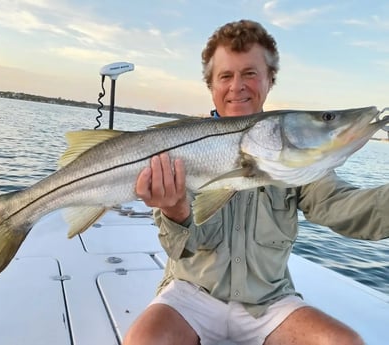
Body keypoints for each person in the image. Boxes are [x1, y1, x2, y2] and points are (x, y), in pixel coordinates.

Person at [124, 19, 388, 345]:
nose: (237, 86)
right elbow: (182, 248)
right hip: (192, 293)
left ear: (269, 80)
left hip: (270, 301)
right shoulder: (179, 148)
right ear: (211, 84)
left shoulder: (299, 159)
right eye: (226, 76)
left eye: (250, 73)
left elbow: (342, 207)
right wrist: (176, 211)